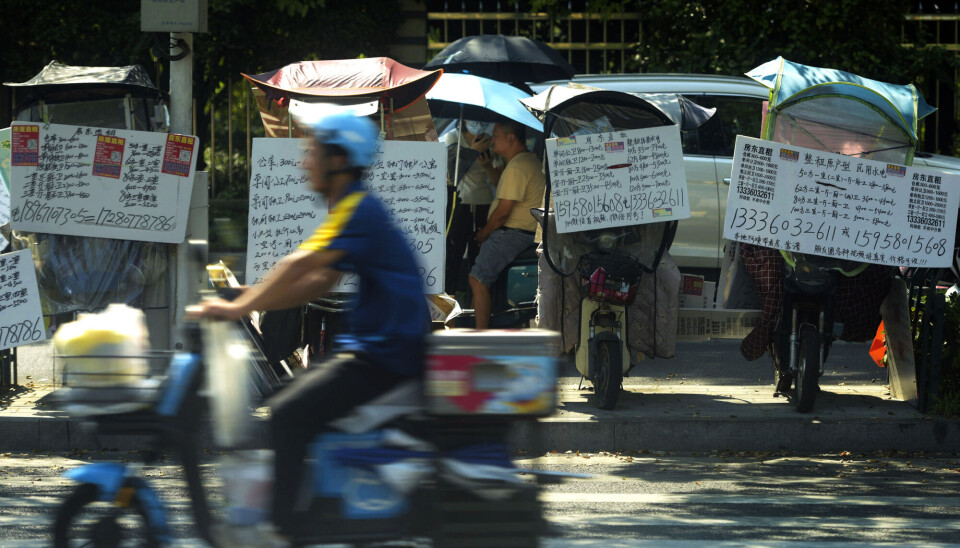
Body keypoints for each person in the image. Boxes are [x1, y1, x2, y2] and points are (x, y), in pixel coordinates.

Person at [190, 111, 430, 539]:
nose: (305, 162)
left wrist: (237, 306)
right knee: (290, 395)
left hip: (385, 356)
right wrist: (250, 299)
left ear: (338, 160)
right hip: (379, 351)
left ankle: (285, 530)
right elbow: (319, 281)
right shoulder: (354, 207)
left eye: (313, 153)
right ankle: (322, 510)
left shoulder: (358, 209)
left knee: (285, 414)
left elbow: (301, 263)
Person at [469, 119, 545, 329]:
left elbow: (503, 212)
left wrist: (484, 233)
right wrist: (487, 166)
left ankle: (480, 335)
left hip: (513, 233)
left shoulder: (518, 166)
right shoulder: (525, 161)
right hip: (527, 233)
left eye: (496, 136)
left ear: (511, 138)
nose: (492, 140)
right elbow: (501, 183)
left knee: (477, 278)